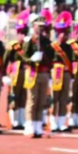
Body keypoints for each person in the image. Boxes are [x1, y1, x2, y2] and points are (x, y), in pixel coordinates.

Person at [23, 10, 54, 139]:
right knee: (32, 100)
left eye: (42, 25)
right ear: (33, 26)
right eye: (38, 25)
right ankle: (29, 126)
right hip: (33, 73)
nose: (40, 27)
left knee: (41, 101)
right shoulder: (30, 41)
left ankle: (38, 127)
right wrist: (31, 60)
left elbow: (52, 56)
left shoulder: (47, 42)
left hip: (44, 73)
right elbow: (23, 57)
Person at [3, 11, 31, 131]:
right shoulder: (13, 45)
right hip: (15, 72)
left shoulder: (28, 45)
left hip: (26, 72)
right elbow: (5, 60)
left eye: (24, 32)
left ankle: (22, 119)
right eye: (20, 33)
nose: (22, 35)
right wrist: (5, 75)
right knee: (14, 95)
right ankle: (14, 120)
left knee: (23, 96)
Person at [50, 11, 75, 133]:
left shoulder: (69, 47)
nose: (62, 35)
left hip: (65, 74)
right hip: (56, 73)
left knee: (64, 98)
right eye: (60, 33)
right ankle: (53, 122)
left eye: (64, 33)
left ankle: (61, 122)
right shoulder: (53, 46)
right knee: (55, 98)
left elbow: (71, 60)